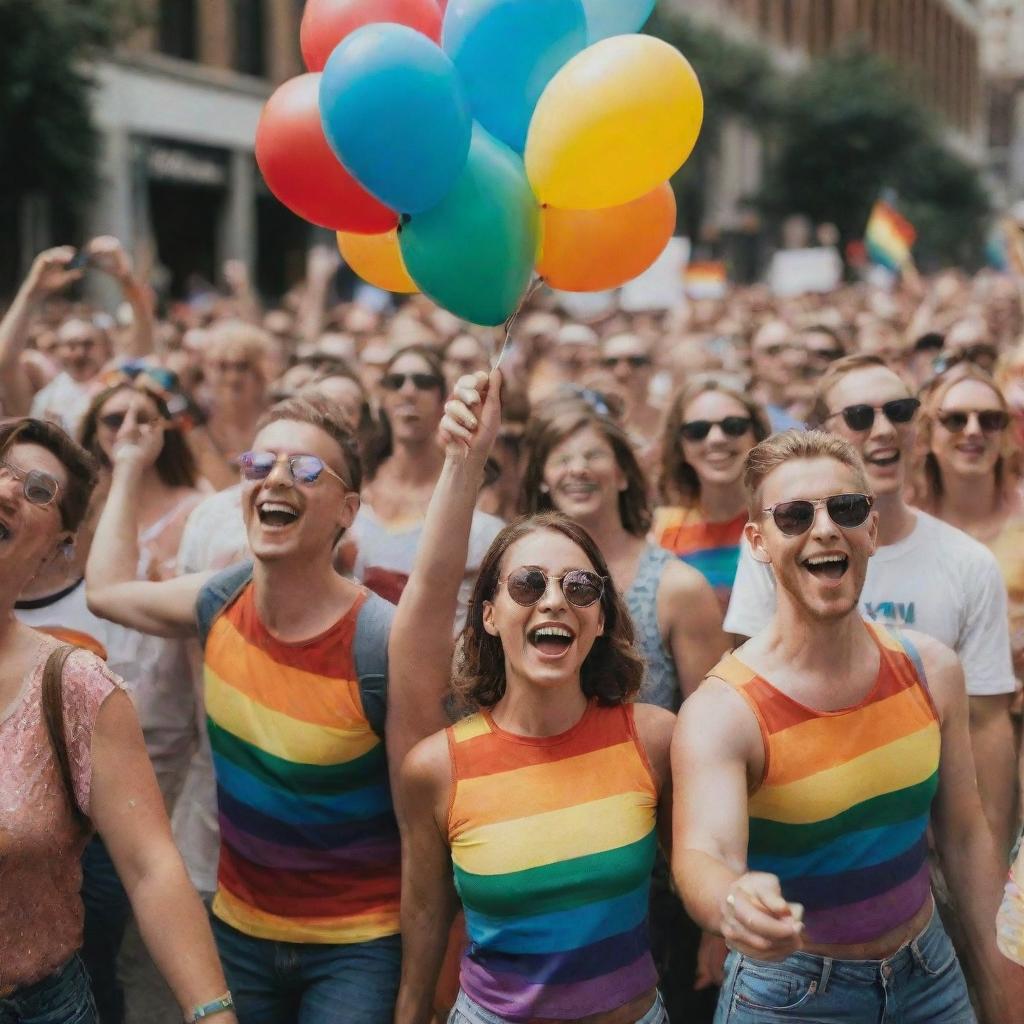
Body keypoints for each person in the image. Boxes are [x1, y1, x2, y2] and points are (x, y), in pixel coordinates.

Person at [86, 395, 448, 1023]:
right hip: (237, 936)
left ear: (348, 512)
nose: (276, 478)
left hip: (357, 952)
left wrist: (416, 995)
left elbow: (424, 836)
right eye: (260, 464)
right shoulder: (219, 601)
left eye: (306, 470)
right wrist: (127, 466)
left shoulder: (381, 641)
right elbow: (106, 591)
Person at [673, 429, 1024, 1024]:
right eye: (794, 515)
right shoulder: (724, 709)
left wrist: (1002, 992)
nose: (826, 528)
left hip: (930, 977)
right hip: (791, 996)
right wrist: (734, 901)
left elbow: (965, 836)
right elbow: (703, 852)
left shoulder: (932, 668)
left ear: (872, 530)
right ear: (758, 541)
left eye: (847, 507)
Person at [394, 370, 677, 1024]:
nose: (554, 599)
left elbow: (705, 864)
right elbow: (427, 914)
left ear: (602, 617)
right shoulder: (436, 768)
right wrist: (410, 1013)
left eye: (580, 587)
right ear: (489, 613)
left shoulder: (656, 739)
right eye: (528, 584)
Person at [725, 355, 1018, 855]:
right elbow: (755, 695)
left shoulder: (969, 562)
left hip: (937, 844)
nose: (883, 429)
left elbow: (987, 723)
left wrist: (989, 855)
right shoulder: (779, 545)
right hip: (815, 843)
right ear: (824, 434)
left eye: (900, 411)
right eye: (860, 416)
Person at [0, 417, 235, 1024]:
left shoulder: (73, 685)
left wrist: (213, 1013)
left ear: (60, 545)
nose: (6, 489)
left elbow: (150, 866)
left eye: (37, 490)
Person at [521, 398, 726, 708]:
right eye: (562, 459)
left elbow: (714, 719)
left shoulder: (679, 587)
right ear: (542, 480)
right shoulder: (518, 580)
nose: (578, 469)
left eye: (594, 456)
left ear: (622, 475)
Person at [913, 365, 1024, 850]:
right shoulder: (901, 526)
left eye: (990, 419)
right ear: (928, 434)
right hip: (934, 730)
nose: (974, 431)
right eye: (955, 419)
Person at [352, 345, 502, 623]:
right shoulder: (354, 480)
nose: (408, 391)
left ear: (443, 399)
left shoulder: (469, 491)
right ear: (382, 398)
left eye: (423, 382)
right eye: (396, 382)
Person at [653, 380, 771, 613]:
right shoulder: (660, 530)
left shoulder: (785, 519)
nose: (716, 439)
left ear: (756, 436)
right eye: (697, 431)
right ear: (680, 447)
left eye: (733, 426)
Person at [186, 321, 271, 489]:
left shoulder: (278, 426)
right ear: (206, 370)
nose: (232, 377)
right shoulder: (195, 439)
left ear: (260, 372)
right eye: (222, 366)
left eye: (242, 366)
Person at [599, 333, 663, 446]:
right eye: (611, 362)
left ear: (653, 367)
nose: (622, 371)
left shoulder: (670, 417)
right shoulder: (591, 418)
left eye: (635, 362)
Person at [748, 321, 805, 432]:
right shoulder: (745, 410)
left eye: (790, 348)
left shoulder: (816, 407)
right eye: (773, 350)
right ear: (753, 358)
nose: (785, 358)